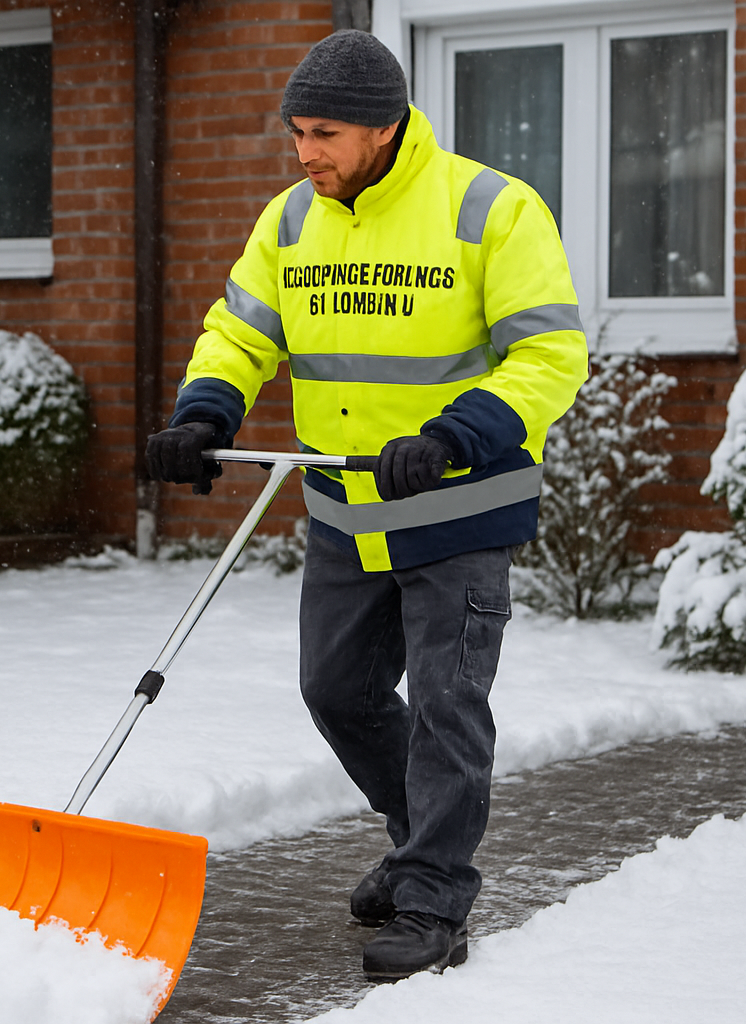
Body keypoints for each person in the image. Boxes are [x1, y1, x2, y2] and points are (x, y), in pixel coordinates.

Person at [146, 29, 588, 979]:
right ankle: (419, 832)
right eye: (298, 131)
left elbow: (550, 357)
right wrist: (204, 413)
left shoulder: (490, 209)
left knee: (444, 702)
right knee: (335, 690)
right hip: (348, 505)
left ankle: (434, 895)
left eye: (327, 134)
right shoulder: (291, 220)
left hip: (458, 504)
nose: (306, 152)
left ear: (384, 129)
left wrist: (454, 436)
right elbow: (241, 330)